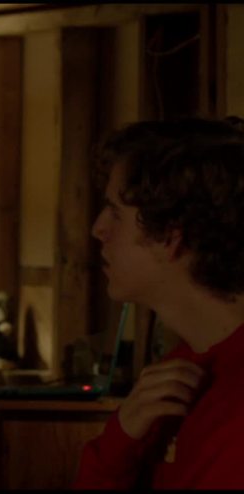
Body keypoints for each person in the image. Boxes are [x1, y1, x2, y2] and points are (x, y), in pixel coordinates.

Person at [73, 116, 244, 489]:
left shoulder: (234, 404)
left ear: (170, 236)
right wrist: (120, 441)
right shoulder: (177, 373)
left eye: (115, 213)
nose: (98, 228)